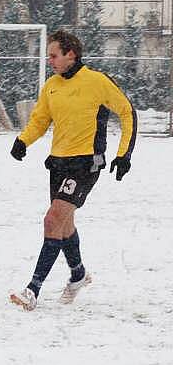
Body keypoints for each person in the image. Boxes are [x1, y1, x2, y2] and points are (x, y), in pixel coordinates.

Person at [9, 30, 137, 311]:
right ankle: (78, 275)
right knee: (63, 223)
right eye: (48, 56)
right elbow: (40, 120)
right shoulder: (51, 86)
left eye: (54, 55)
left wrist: (123, 154)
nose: (50, 60)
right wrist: (23, 141)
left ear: (71, 54)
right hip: (58, 163)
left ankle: (33, 290)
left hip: (85, 165)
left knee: (52, 219)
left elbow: (127, 111)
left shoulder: (96, 81)